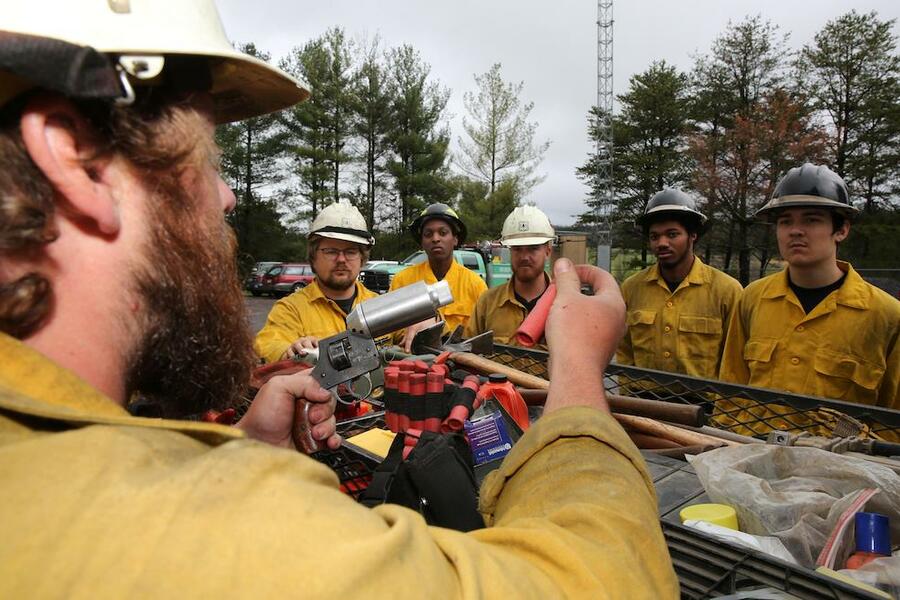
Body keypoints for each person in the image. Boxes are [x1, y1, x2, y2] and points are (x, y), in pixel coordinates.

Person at [0, 2, 677, 597]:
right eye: (201, 158)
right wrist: (581, 373)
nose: (226, 196)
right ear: (76, 159)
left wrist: (245, 451)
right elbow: (600, 581)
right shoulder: (216, 538)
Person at [717, 164, 900, 434]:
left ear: (841, 230)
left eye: (811, 220)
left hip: (837, 469)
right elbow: (730, 390)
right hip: (749, 457)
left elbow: (892, 420)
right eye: (785, 221)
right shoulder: (753, 299)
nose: (795, 231)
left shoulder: (885, 315)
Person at [616, 189, 742, 379]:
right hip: (642, 403)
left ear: (693, 235)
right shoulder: (632, 288)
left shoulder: (726, 291)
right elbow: (624, 350)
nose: (662, 243)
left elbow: (735, 360)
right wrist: (629, 398)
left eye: (672, 234)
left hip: (704, 404)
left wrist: (722, 406)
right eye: (654, 236)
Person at [254, 199, 383, 363]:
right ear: (313, 257)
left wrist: (422, 327)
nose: (341, 259)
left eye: (350, 252)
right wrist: (290, 350)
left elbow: (407, 336)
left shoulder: (379, 305)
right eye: (331, 251)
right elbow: (268, 344)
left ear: (362, 258)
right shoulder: (291, 309)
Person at [389, 203, 487, 350]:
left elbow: (483, 336)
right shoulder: (402, 280)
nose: (435, 239)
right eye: (428, 234)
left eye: (443, 232)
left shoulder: (475, 285)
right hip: (410, 366)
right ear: (422, 242)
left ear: (455, 239)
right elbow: (389, 332)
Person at [464, 205, 555, 348]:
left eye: (533, 248)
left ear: (548, 251)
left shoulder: (564, 305)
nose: (524, 257)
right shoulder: (488, 303)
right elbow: (467, 353)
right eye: (517, 249)